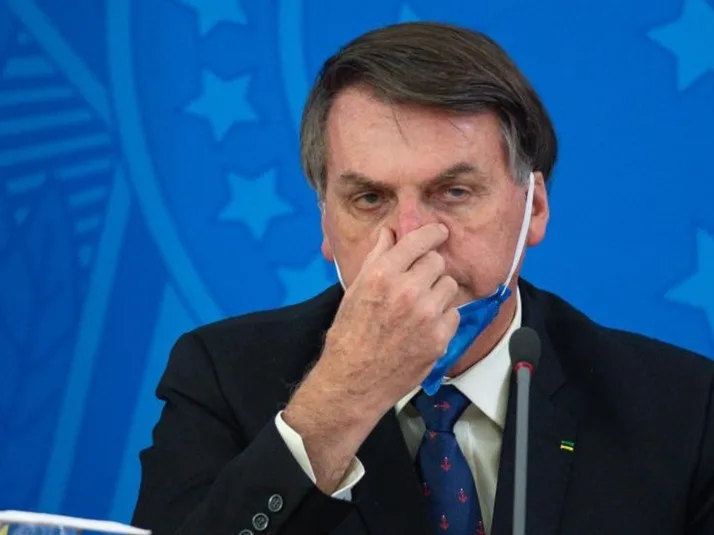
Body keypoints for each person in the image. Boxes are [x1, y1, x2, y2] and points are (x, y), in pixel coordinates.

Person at [131, 21, 714, 535]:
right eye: (369, 199)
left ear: (534, 207)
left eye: (454, 192)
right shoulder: (222, 379)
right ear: (326, 224)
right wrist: (341, 401)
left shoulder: (682, 408)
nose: (413, 239)